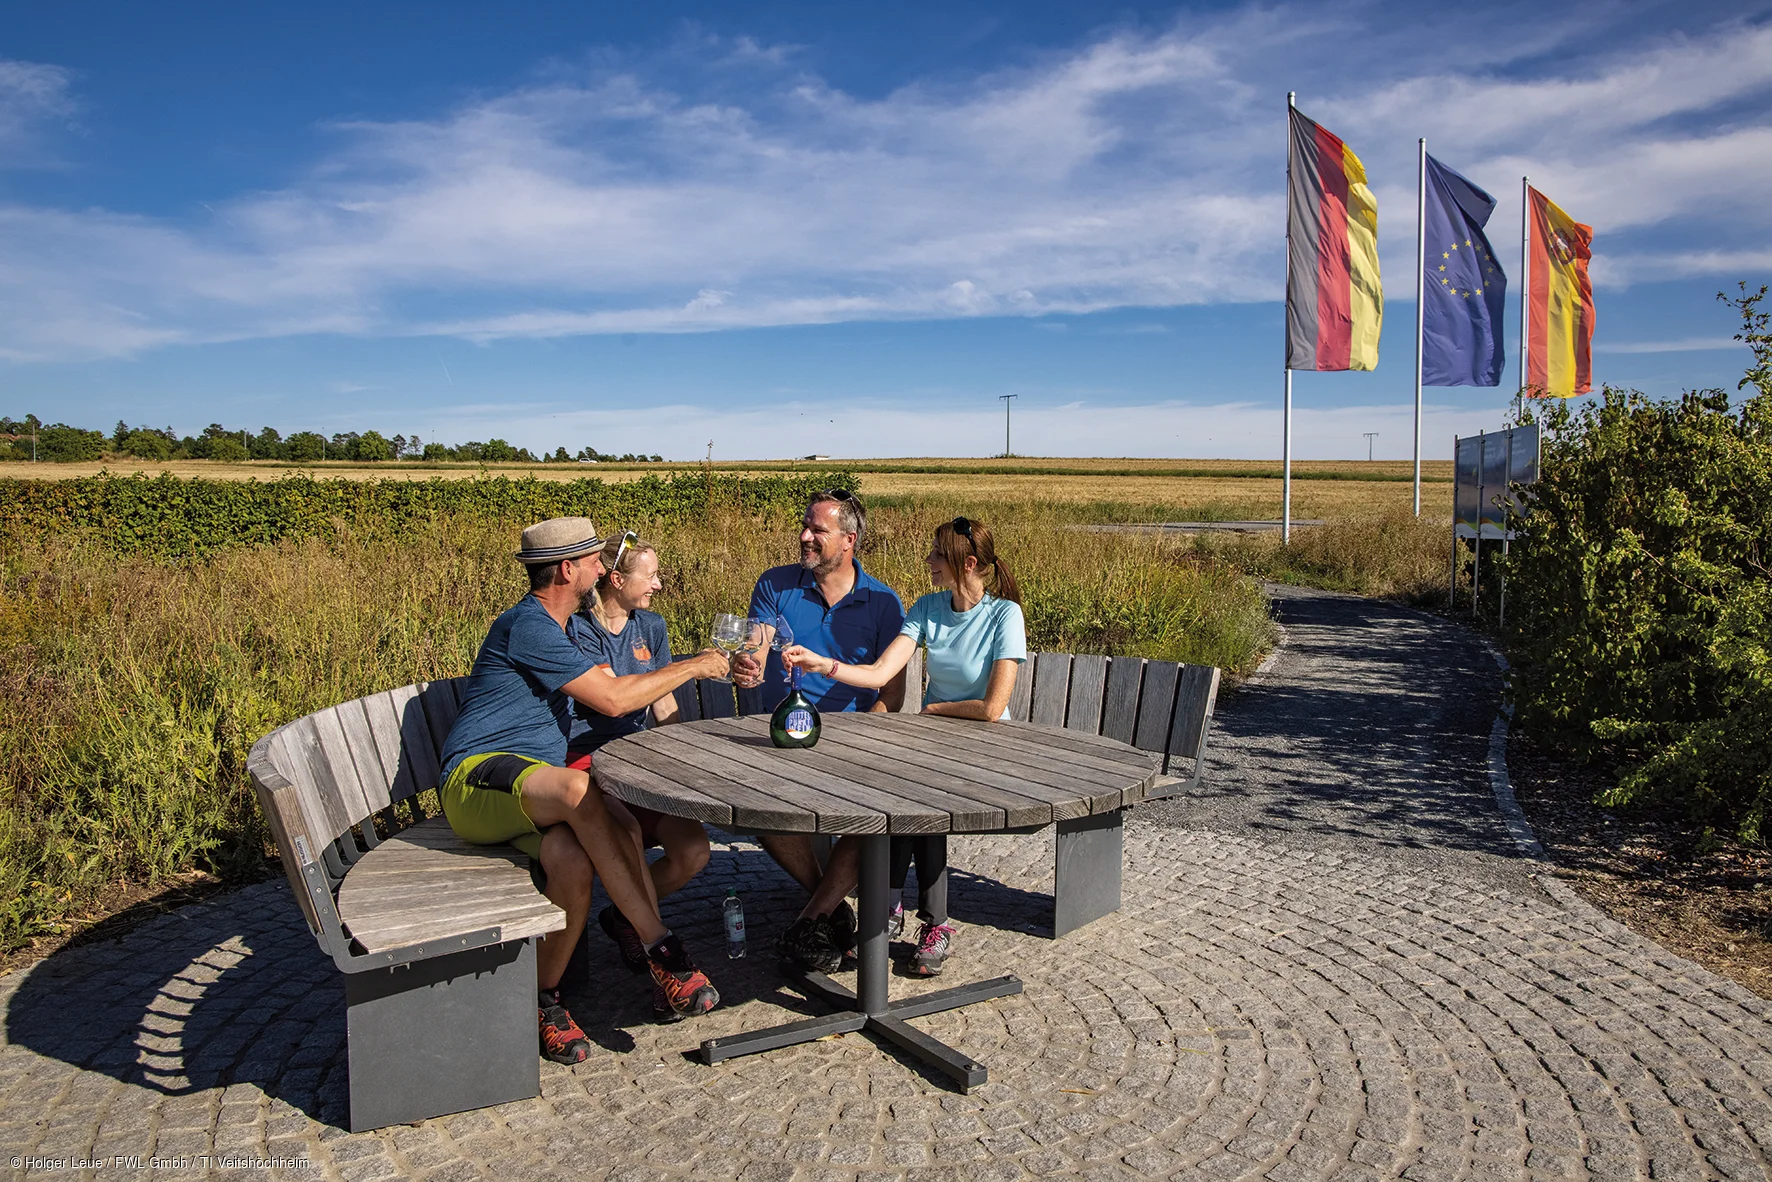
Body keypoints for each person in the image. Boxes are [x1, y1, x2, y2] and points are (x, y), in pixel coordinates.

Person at [437, 517, 731, 1064]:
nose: (603, 568)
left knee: (576, 857)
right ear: (567, 569)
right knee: (580, 788)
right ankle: (662, 949)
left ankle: (543, 1002)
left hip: (530, 791)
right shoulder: (529, 625)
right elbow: (613, 700)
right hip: (477, 778)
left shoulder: (558, 627)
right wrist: (695, 665)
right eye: (595, 560)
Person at [782, 515, 1025, 975]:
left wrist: (934, 710)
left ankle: (904, 913)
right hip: (936, 743)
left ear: (967, 563)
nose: (928, 560)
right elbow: (880, 672)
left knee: (922, 803)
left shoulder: (1004, 615)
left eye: (937, 554)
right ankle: (915, 917)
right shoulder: (928, 607)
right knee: (905, 795)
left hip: (988, 747)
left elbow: (993, 708)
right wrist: (823, 664)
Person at [730, 489, 907, 973]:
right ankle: (830, 907)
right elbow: (757, 645)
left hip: (853, 740)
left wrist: (866, 745)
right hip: (784, 737)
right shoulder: (776, 584)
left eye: (818, 530)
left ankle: (812, 919)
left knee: (877, 816)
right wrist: (748, 664)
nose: (805, 536)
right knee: (757, 806)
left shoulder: (882, 602)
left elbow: (892, 693)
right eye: (804, 526)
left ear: (849, 540)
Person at [564, 531, 713, 972]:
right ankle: (660, 958)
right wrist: (690, 667)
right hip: (586, 763)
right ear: (616, 579)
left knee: (694, 852)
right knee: (626, 831)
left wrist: (684, 759)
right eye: (650, 576)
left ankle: (621, 918)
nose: (658, 585)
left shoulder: (651, 626)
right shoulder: (578, 629)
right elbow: (612, 698)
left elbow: (662, 701)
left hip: (637, 760)